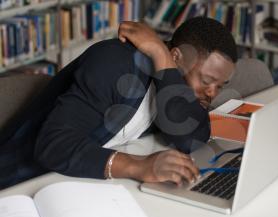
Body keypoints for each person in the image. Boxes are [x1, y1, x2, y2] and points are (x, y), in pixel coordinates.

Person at [34, 17, 237, 186]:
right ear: (176, 56)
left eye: (220, 86)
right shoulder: (114, 64)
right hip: (31, 181)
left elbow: (191, 138)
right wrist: (137, 166)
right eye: (207, 81)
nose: (212, 93)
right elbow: (53, 145)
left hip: (90, 181)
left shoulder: (178, 86)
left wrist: (163, 59)